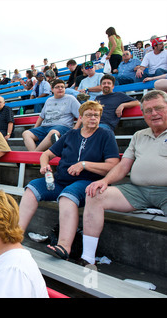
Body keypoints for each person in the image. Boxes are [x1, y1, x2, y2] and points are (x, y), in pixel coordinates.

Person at [19, 101, 120, 261]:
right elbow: (46, 154)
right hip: (60, 180)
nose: (93, 118)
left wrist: (84, 165)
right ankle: (16, 235)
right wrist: (44, 166)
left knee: (67, 196)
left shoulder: (105, 135)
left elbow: (113, 165)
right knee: (32, 188)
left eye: (96, 115)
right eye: (89, 114)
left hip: (87, 181)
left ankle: (64, 246)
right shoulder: (71, 135)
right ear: (80, 117)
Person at [80, 90, 167, 266]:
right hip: (138, 191)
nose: (154, 114)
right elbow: (123, 165)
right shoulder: (139, 135)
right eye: (148, 111)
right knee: (94, 194)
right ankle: (87, 258)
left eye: (159, 108)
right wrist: (104, 181)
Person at [22, 79, 81, 152]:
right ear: (52, 89)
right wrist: (35, 129)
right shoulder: (49, 100)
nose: (60, 89)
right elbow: (41, 117)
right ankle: (36, 158)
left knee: (53, 133)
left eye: (62, 87)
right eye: (57, 87)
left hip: (62, 127)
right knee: (26, 133)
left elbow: (81, 115)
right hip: (45, 127)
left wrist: (74, 130)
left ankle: (34, 156)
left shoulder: (71, 99)